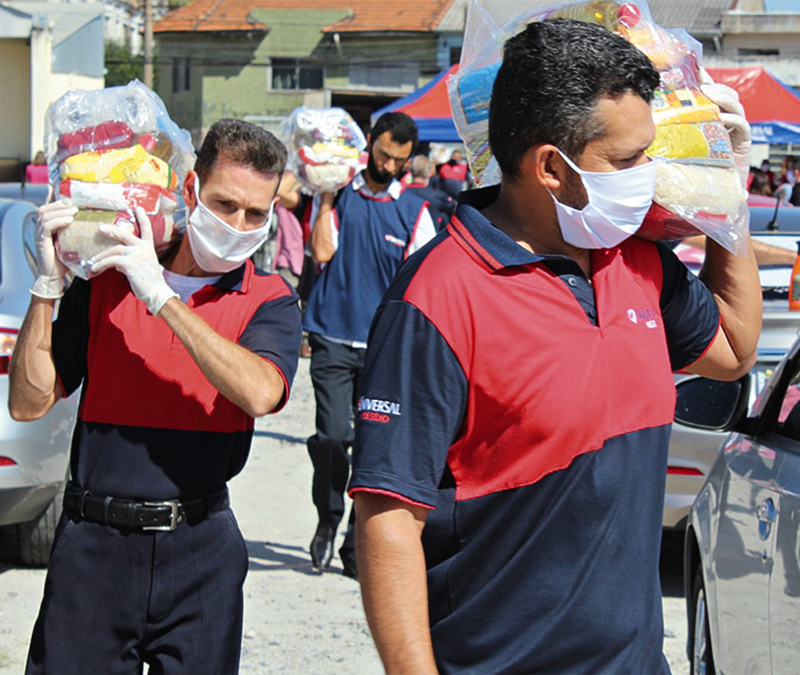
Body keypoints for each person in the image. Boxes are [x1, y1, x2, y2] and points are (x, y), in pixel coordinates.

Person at [349, 19, 761, 674]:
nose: (647, 173)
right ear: (550, 166)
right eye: (627, 161)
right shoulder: (438, 296)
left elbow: (734, 350)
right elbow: (386, 518)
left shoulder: (637, 261)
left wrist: (726, 196)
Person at [11, 118, 302, 673]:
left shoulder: (269, 299)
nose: (238, 225)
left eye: (256, 214)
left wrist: (161, 296)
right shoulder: (105, 277)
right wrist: (46, 288)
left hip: (200, 550)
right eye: (224, 204)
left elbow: (261, 392)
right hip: (94, 548)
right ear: (191, 191)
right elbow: (27, 402)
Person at [302, 111, 436, 578]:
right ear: (370, 145)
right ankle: (327, 518)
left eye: (400, 160)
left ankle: (354, 545)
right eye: (383, 155)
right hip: (332, 337)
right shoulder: (337, 196)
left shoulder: (416, 212)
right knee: (334, 436)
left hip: (385, 351)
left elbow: (425, 284)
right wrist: (323, 200)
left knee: (374, 453)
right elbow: (320, 252)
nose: (391, 166)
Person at [406, 154, 456, 230]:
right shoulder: (438, 196)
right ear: (429, 173)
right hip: (431, 238)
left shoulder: (400, 193)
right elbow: (456, 208)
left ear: (411, 170)